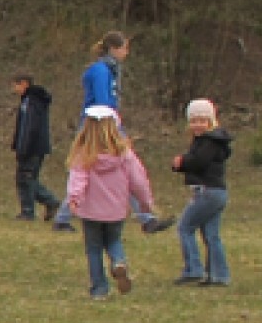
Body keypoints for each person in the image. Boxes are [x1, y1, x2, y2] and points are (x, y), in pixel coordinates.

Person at [63, 106, 156, 301]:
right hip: (116, 209)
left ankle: (99, 289)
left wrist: (74, 199)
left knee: (94, 248)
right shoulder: (125, 155)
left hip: (91, 211)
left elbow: (77, 179)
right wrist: (145, 203)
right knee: (114, 240)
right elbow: (139, 181)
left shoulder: (83, 155)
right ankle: (118, 262)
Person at [54, 32, 139, 230]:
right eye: (125, 48)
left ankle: (146, 216)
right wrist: (113, 125)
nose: (126, 53)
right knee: (121, 162)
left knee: (95, 165)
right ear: (114, 48)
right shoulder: (101, 71)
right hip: (99, 123)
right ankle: (146, 215)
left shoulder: (109, 70)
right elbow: (103, 102)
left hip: (105, 121)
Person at [145, 98, 232, 287]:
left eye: (202, 120)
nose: (197, 125)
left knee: (185, 227)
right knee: (211, 234)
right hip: (217, 192)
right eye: (194, 121)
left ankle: (194, 269)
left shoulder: (209, 141)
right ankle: (219, 275)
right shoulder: (209, 141)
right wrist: (182, 165)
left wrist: (181, 162)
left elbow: (199, 162)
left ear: (211, 121)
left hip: (207, 192)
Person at [10, 72, 59, 220]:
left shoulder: (33, 102)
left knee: (27, 178)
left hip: (32, 147)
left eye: (16, 85)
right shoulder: (28, 101)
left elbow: (30, 127)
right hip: (30, 146)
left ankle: (30, 210)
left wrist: (24, 147)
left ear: (24, 83)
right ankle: (46, 204)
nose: (14, 89)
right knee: (26, 179)